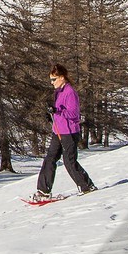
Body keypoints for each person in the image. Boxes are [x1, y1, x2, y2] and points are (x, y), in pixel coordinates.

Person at [36, 63, 97, 197]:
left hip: (69, 132)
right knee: (50, 159)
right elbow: (59, 113)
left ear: (62, 77)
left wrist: (57, 111)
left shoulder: (70, 92)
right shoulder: (58, 92)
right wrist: (51, 116)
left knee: (69, 161)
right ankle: (43, 190)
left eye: (54, 79)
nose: (52, 83)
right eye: (50, 80)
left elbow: (73, 115)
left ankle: (87, 186)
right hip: (57, 131)